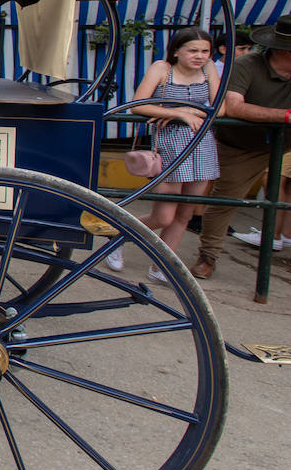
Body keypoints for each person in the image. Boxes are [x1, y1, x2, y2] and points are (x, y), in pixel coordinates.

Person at [107, 28, 221, 283]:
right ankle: (118, 235)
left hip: (202, 145)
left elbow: (219, 107)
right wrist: (178, 112)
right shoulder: (162, 69)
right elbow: (137, 104)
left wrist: (190, 113)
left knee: (185, 214)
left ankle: (162, 266)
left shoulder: (209, 69)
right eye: (193, 50)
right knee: (164, 215)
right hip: (171, 145)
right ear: (177, 50)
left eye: (204, 51)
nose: (199, 56)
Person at [194, 15, 291, 279]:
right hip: (241, 144)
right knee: (226, 197)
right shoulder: (247, 64)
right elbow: (235, 106)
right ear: (283, 49)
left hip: (285, 141)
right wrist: (285, 116)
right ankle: (208, 255)